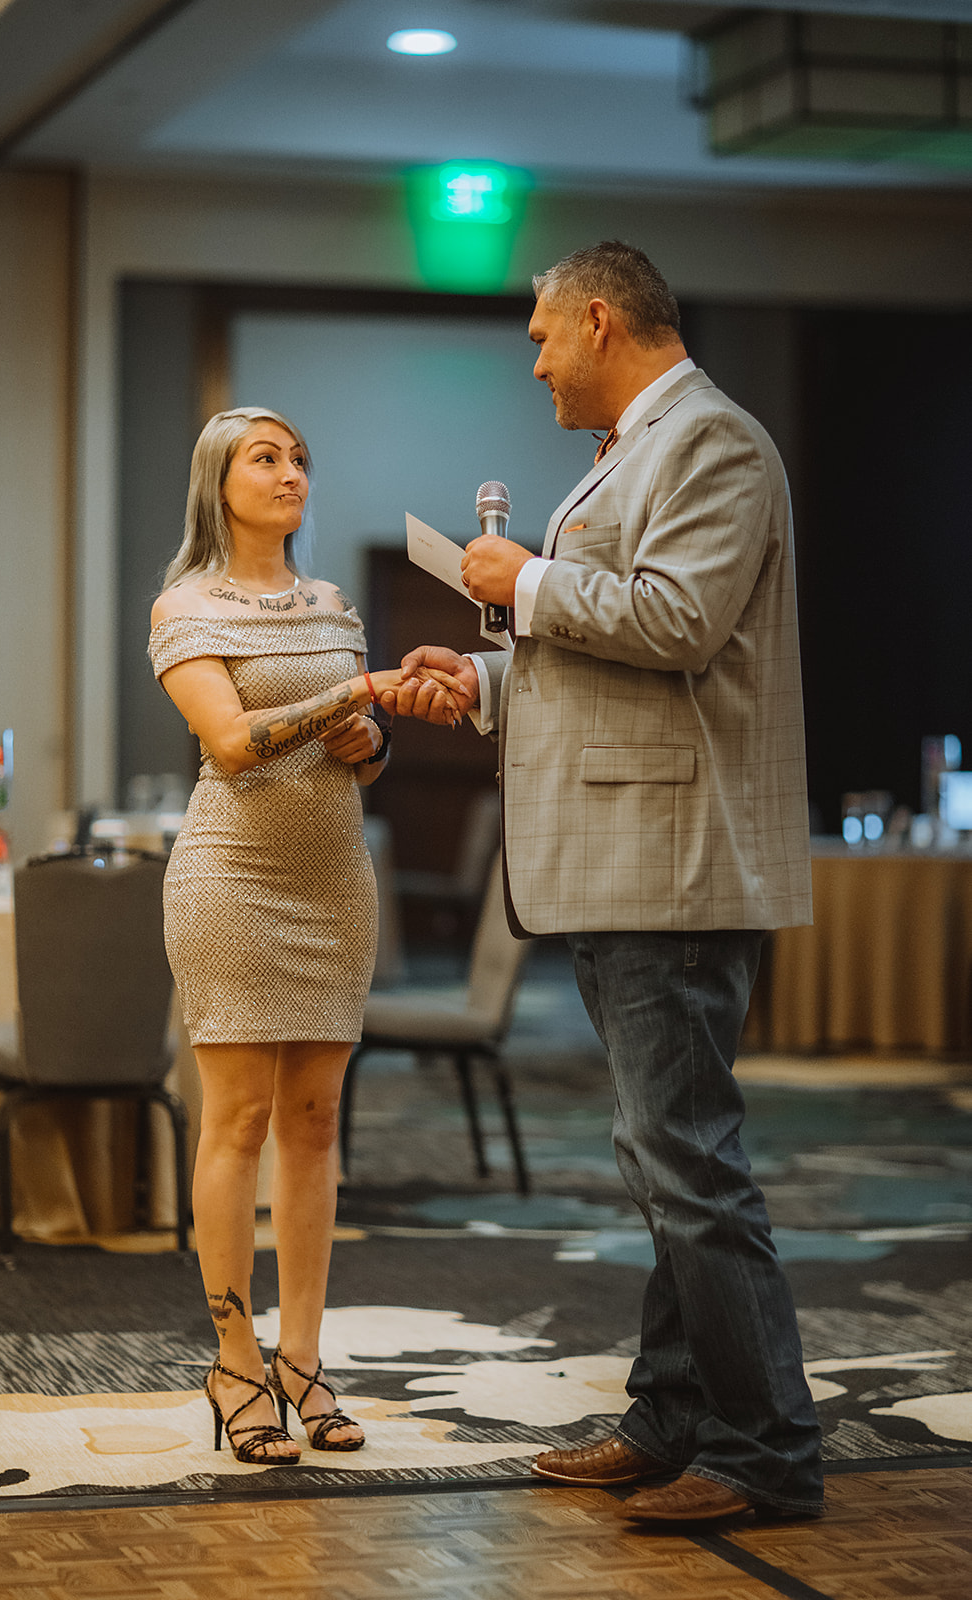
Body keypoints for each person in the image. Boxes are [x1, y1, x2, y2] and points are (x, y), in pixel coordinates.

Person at [384, 241, 824, 1522]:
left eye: (538, 339)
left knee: (685, 1161)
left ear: (595, 320)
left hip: (669, 863)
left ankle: (765, 1451)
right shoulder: (634, 448)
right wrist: (486, 680)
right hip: (625, 855)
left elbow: (679, 621)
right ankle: (674, 1412)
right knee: (661, 1157)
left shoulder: (711, 441)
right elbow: (619, 659)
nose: (532, 364)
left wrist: (522, 579)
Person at [149, 407, 454, 1464]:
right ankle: (233, 1361)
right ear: (218, 482)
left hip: (333, 880)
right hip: (231, 877)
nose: (291, 474)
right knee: (237, 1121)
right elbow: (235, 745)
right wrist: (354, 690)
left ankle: (304, 1358)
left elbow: (354, 753)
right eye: (265, 458)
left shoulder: (331, 606)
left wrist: (370, 739)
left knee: (316, 1122)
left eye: (300, 460)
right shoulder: (186, 605)